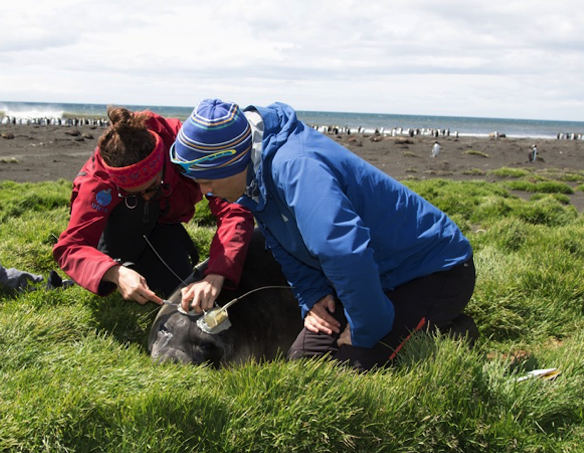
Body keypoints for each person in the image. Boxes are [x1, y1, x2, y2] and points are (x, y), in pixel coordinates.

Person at [169, 99, 477, 371]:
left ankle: (452, 329)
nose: (204, 191)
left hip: (431, 269)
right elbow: (283, 245)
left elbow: (344, 252)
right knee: (305, 366)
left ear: (232, 161)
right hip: (370, 276)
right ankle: (389, 321)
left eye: (207, 180)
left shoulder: (297, 168)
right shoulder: (254, 175)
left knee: (352, 369)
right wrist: (312, 296)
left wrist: (364, 329)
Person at [53, 105, 254, 312]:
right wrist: (114, 272)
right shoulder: (97, 180)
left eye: (152, 188)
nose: (147, 197)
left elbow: (234, 208)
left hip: (165, 225)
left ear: (164, 164)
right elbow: (70, 246)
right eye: (133, 194)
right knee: (122, 275)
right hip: (122, 231)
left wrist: (217, 273)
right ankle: (116, 266)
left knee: (178, 291)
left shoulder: (186, 148)